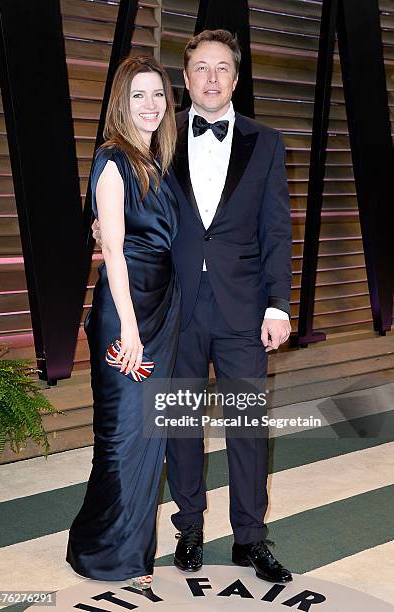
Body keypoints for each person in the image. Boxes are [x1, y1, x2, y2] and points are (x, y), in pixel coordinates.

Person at [93, 29, 293, 584]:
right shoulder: (160, 142)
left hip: (244, 312)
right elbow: (131, 207)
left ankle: (251, 537)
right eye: (200, 68)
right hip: (175, 310)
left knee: (247, 426)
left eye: (221, 68)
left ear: (236, 76)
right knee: (182, 425)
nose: (210, 78)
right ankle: (190, 530)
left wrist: (278, 305)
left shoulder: (268, 142)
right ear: (186, 79)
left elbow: (277, 231)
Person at [66, 55, 180, 589]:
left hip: (160, 310)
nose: (151, 105)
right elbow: (113, 249)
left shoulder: (154, 162)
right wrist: (130, 331)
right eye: (139, 95)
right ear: (120, 102)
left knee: (146, 438)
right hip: (126, 317)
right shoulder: (114, 159)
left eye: (159, 94)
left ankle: (126, 551)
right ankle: (101, 552)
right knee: (121, 435)